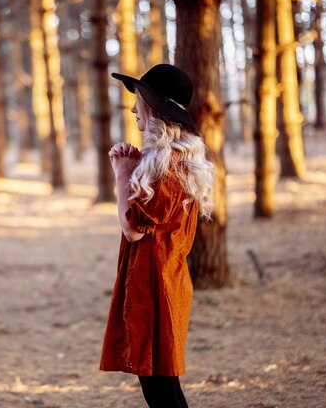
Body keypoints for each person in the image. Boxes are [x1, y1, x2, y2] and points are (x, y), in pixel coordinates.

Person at [99, 64, 215, 408]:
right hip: (159, 282)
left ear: (155, 111)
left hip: (158, 287)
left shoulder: (170, 165)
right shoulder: (168, 161)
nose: (134, 108)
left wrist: (122, 175)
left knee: (161, 392)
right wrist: (134, 168)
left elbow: (133, 229)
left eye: (140, 102)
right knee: (163, 387)